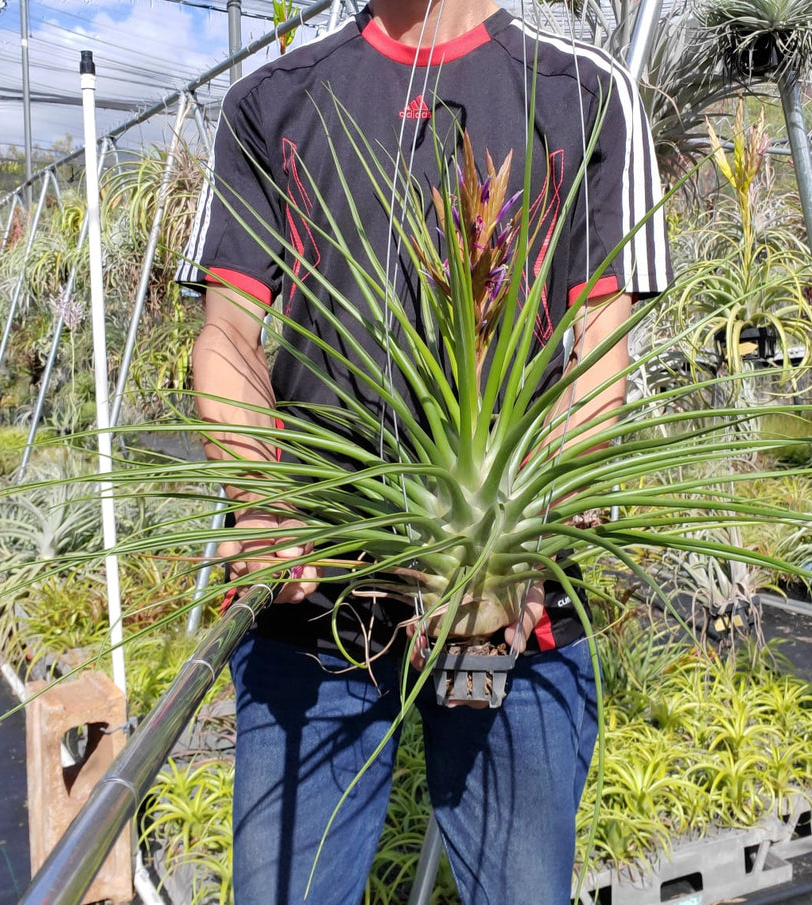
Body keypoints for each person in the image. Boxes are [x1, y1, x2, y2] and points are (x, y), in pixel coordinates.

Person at [178, 0, 668, 901]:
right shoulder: (273, 99)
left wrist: (516, 539)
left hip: (502, 615)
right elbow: (228, 333)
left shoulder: (581, 90)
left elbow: (599, 347)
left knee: (519, 886)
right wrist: (258, 496)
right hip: (316, 601)